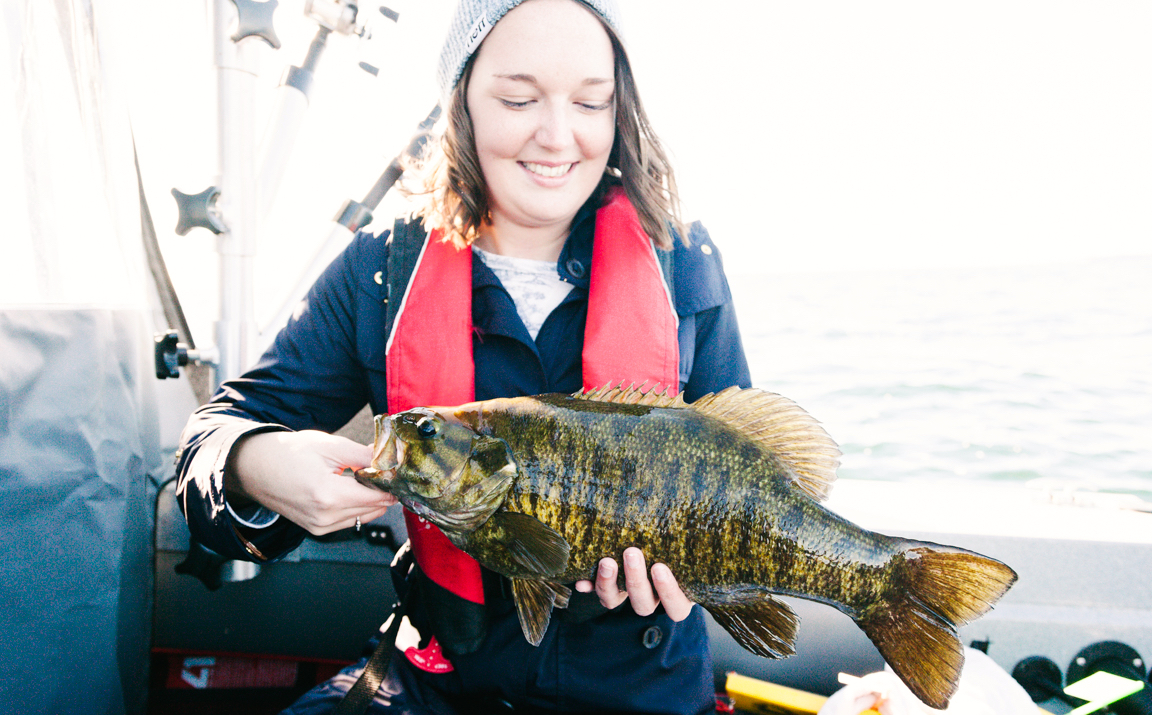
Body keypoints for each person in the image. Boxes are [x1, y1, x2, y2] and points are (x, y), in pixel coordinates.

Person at [174, 0, 750, 712]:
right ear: (462, 101)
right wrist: (256, 464)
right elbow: (211, 438)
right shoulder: (381, 269)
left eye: (591, 101)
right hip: (435, 679)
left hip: (642, 684)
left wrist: (712, 574)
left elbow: (752, 466)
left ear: (619, 112)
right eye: (517, 97)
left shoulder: (685, 260)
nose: (557, 134)